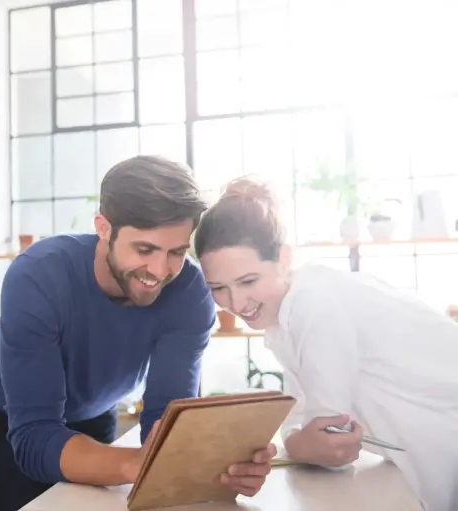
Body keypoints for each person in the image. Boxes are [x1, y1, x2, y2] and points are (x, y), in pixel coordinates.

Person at [0, 156, 277, 511]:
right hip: (14, 416)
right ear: (103, 228)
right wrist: (139, 464)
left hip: (97, 407)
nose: (160, 270)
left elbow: (166, 415)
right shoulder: (38, 276)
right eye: (144, 249)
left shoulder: (190, 294)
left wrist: (212, 464)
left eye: (176, 252)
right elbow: (36, 436)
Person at [193, 176, 458, 511]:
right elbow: (305, 420)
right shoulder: (288, 318)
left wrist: (300, 442)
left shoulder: (315, 305)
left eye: (248, 281)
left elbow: (334, 447)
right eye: (218, 287)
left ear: (284, 258)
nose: (236, 302)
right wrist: (300, 440)